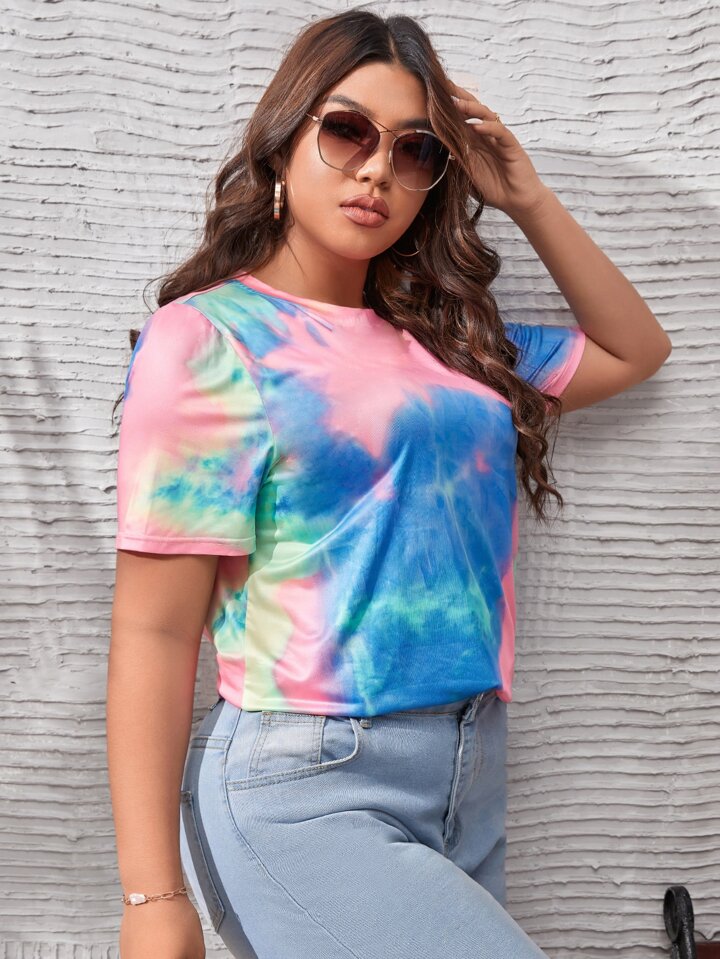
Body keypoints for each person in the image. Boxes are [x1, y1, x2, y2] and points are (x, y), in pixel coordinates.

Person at [106, 9, 672, 959]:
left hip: (468, 777)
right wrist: (151, 894)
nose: (377, 170)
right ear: (284, 142)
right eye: (347, 131)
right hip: (305, 785)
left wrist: (527, 197)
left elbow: (635, 348)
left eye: (415, 151)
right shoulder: (210, 338)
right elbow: (154, 629)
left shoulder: (456, 345)